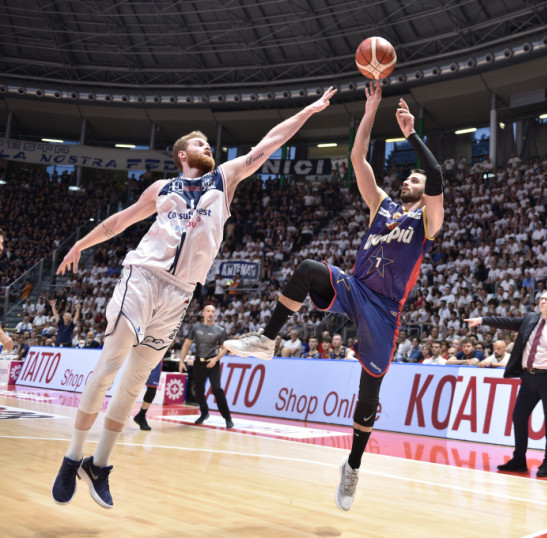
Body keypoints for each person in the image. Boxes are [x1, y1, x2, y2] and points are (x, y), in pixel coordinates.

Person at [51, 87, 336, 510]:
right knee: (112, 361)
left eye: (208, 143)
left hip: (181, 294)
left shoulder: (225, 177)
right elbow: (119, 222)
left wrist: (308, 112)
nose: (208, 146)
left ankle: (100, 464)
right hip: (143, 276)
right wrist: (81, 244)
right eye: (200, 143)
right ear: (182, 154)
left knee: (134, 384)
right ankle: (73, 455)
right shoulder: (162, 187)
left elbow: (269, 143)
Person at [222, 81, 444, 511]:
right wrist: (371, 108)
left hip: (385, 308)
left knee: (369, 395)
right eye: (408, 176)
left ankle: (353, 467)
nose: (409, 180)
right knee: (307, 269)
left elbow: (435, 176)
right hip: (355, 287)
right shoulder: (382, 206)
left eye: (413, 177)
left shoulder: (428, 222)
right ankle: (267, 339)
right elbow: (358, 159)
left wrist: (411, 134)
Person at [465, 290, 547, 478]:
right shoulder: (530, 318)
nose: (543, 301)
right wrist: (482, 319)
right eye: (542, 298)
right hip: (529, 377)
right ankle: (519, 460)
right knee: (519, 417)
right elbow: (506, 322)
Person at [178, 304, 234, 428]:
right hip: (199, 362)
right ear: (203, 313)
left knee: (217, 389)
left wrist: (215, 359)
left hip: (212, 363)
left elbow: (224, 349)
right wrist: (181, 361)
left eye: (213, 311)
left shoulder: (220, 330)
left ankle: (227, 418)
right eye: (208, 311)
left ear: (215, 314)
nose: (210, 313)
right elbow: (187, 344)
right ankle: (204, 413)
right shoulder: (195, 327)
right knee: (198, 389)